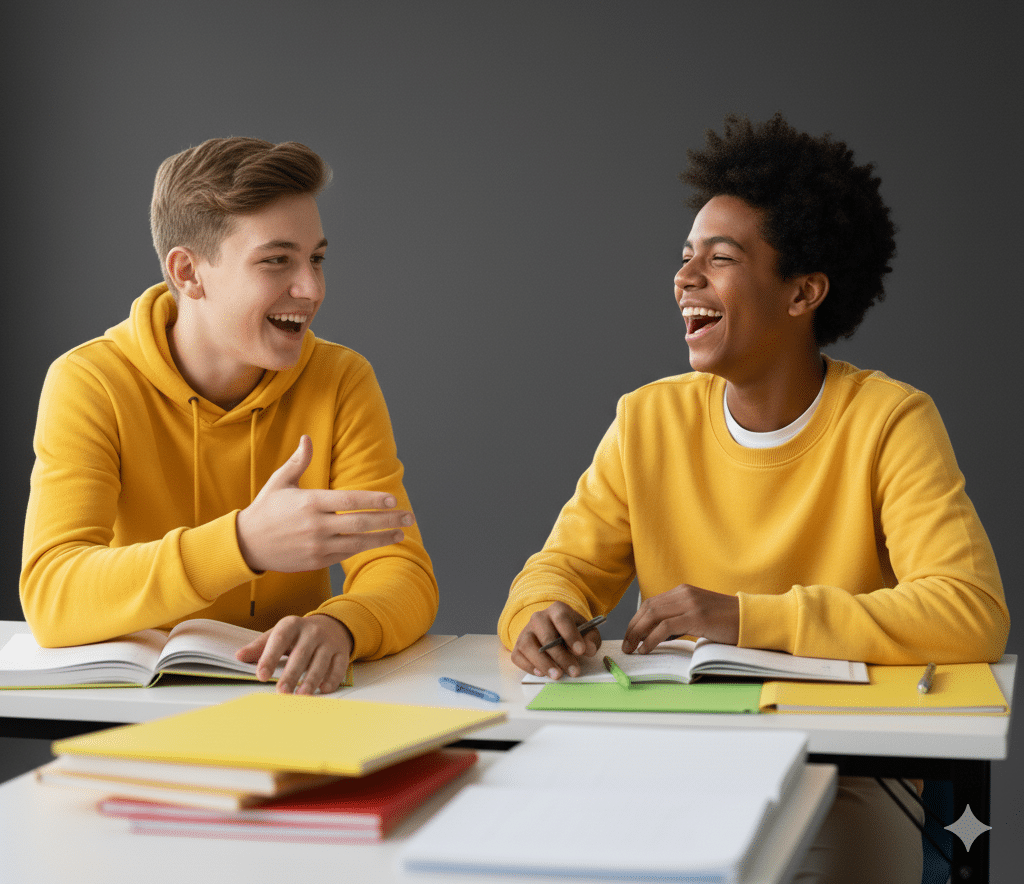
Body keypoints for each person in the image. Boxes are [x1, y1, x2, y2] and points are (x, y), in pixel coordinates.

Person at [498, 114, 1009, 883]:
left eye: (721, 258)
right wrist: (542, 614)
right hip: (673, 754)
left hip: (843, 768)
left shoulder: (890, 419)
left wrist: (744, 618)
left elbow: (970, 611)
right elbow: (558, 569)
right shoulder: (649, 419)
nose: (686, 278)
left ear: (803, 292)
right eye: (685, 257)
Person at [21, 137, 438, 696]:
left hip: (291, 700)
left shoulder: (341, 380)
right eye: (276, 260)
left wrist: (341, 625)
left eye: (315, 258)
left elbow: (402, 570)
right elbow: (52, 594)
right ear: (188, 273)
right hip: (135, 707)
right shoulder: (90, 382)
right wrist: (243, 544)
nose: (311, 288)